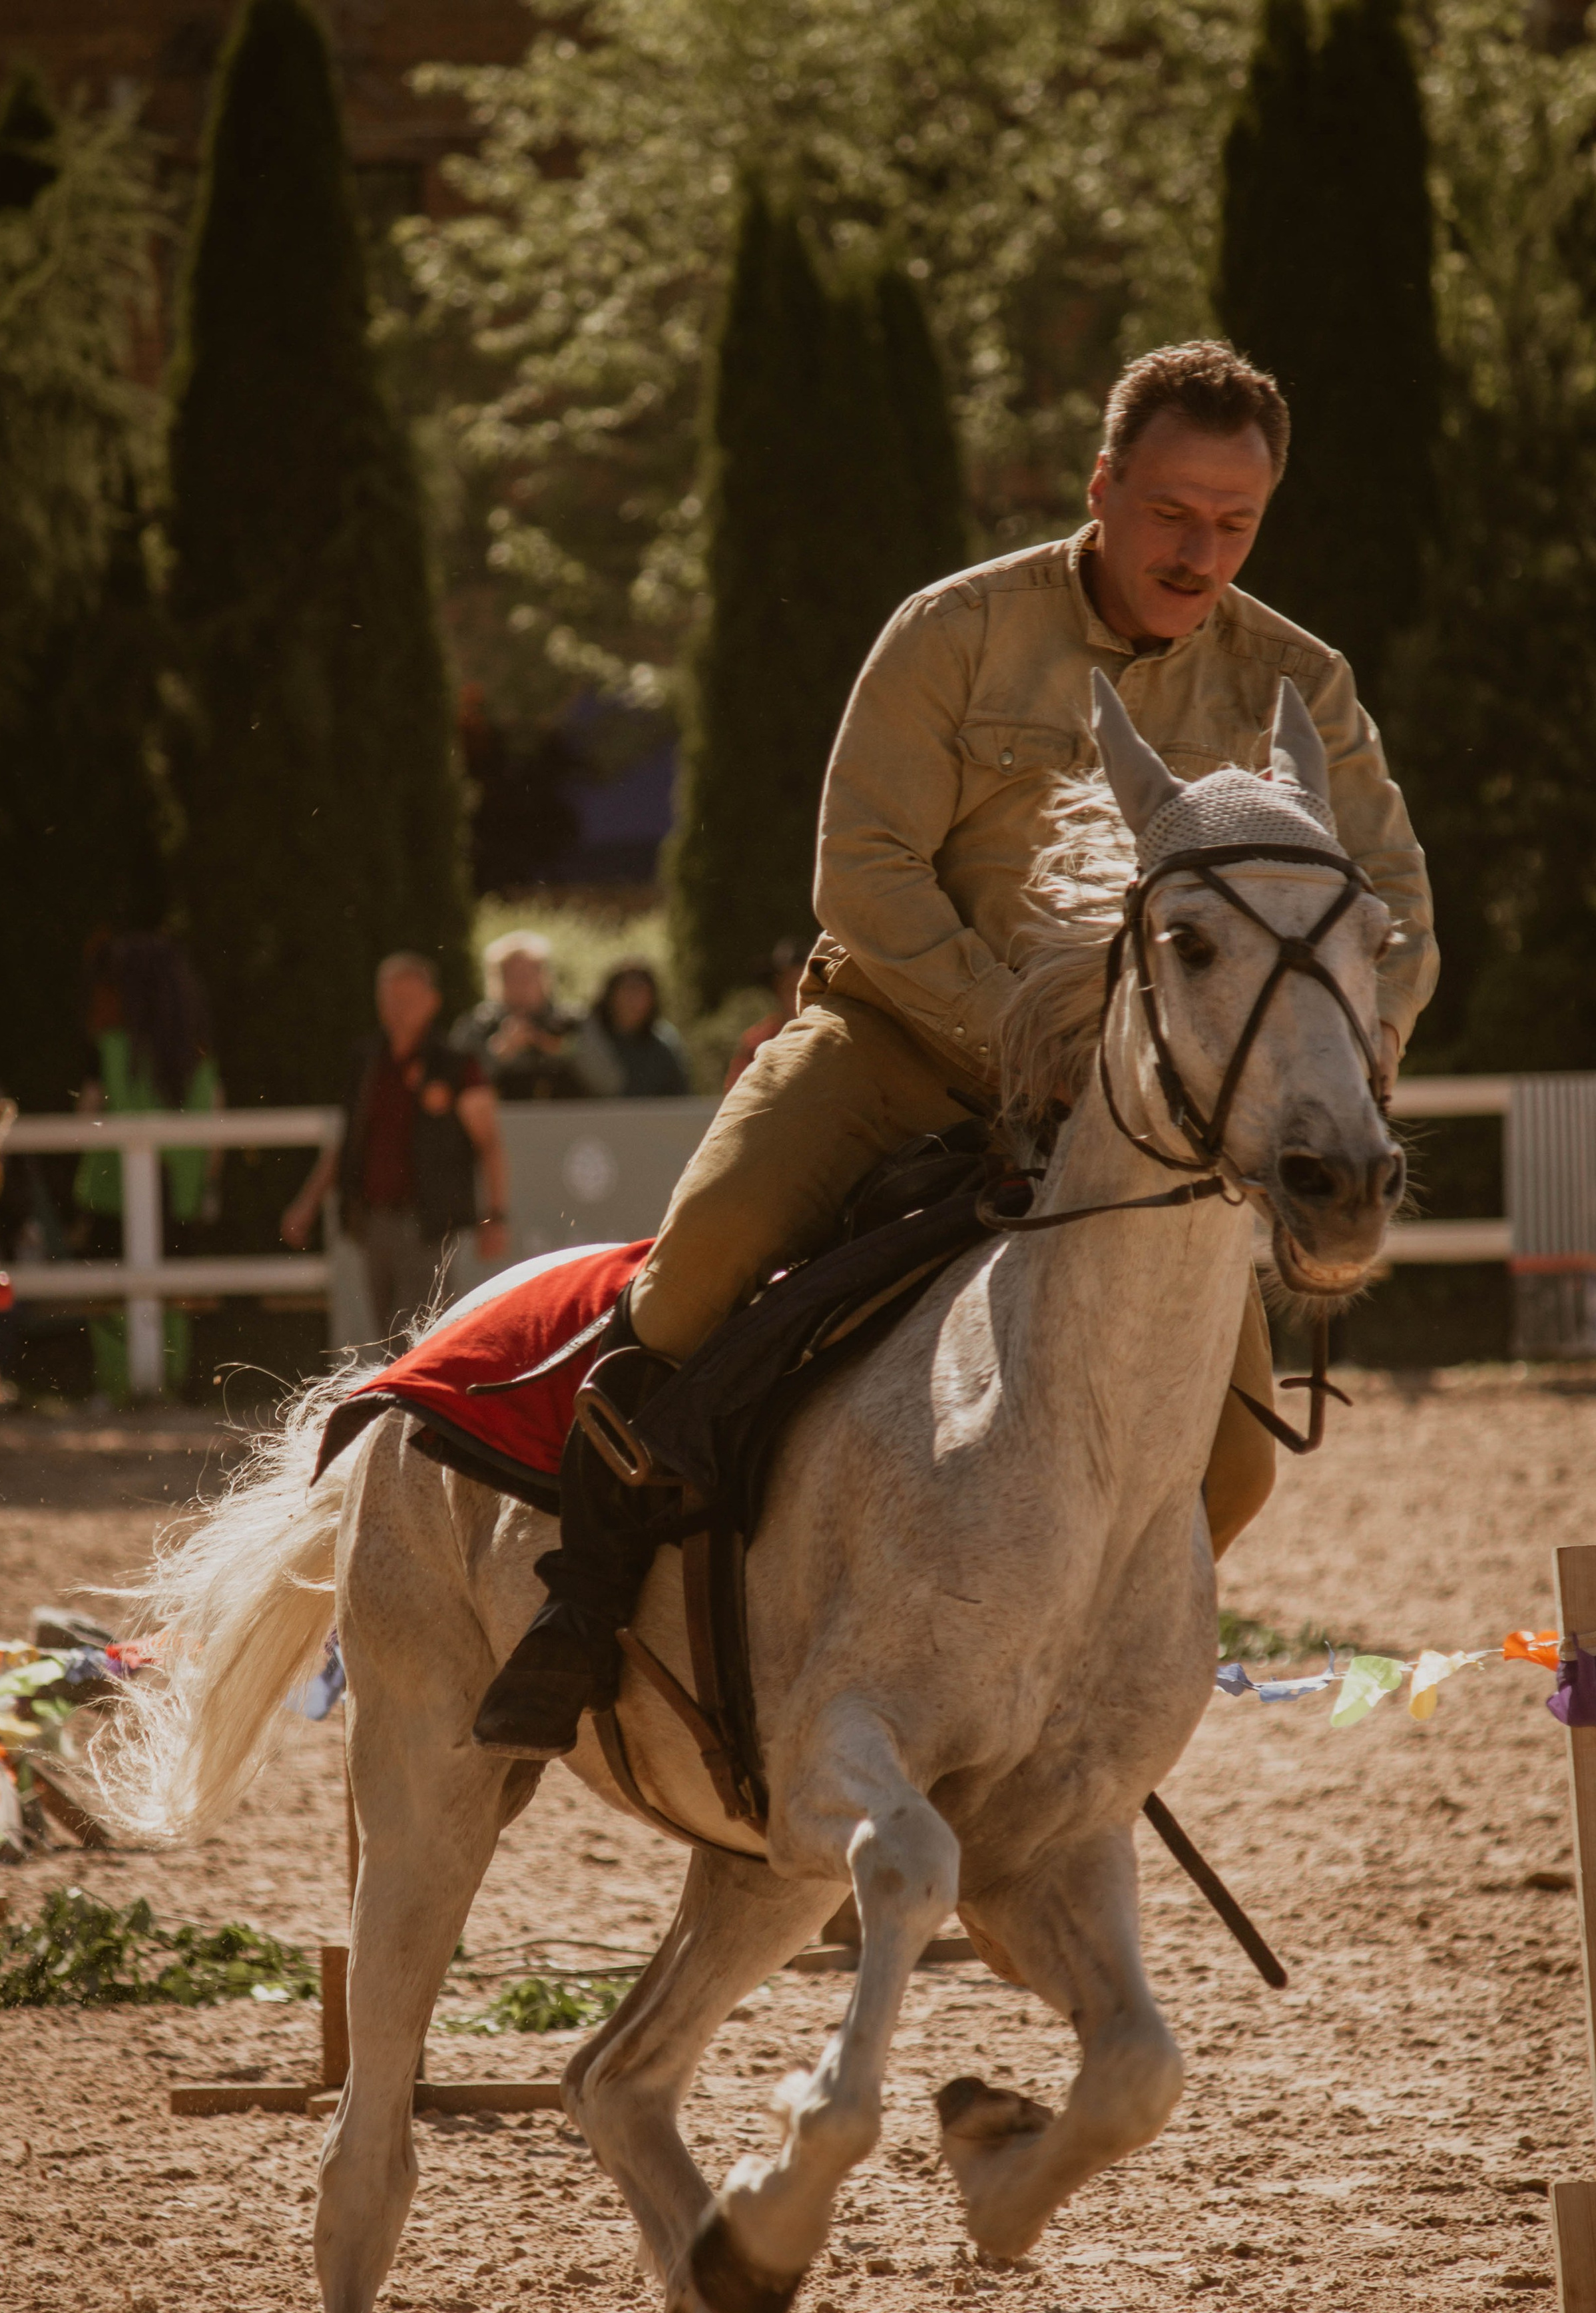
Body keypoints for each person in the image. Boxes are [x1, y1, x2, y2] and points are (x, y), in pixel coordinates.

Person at [475, 338, 1439, 1756]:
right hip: (894, 1045)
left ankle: (1053, 1700)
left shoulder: (1300, 681)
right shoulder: (953, 629)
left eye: (1233, 524)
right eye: (1170, 513)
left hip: (1150, 1121)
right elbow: (861, 871)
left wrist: (1319, 1078)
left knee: (1229, 1468)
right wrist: (1015, 1039)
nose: (1198, 552)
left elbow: (1396, 916)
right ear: (1101, 486)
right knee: (694, 1277)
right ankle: (579, 1602)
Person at [282, 953, 509, 1341]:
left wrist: (497, 1217)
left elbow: (489, 1144)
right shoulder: (367, 1061)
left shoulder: (455, 1065)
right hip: (372, 1221)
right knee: (388, 1333)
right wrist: (307, 1204)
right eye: (388, 999)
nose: (397, 1010)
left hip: (428, 1222)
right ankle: (402, 1402)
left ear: (432, 1002)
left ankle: (414, 1403)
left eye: (407, 999)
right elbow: (349, 1144)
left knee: (418, 1337)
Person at [73, 933, 222, 1403]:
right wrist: (208, 1187)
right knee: (174, 1292)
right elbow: (215, 1120)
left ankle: (119, 1386)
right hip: (181, 1191)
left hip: (111, 1189)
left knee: (108, 1291)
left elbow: (87, 1116)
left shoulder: (108, 1050)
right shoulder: (197, 1057)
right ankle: (170, 1382)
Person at [452, 931, 602, 1102]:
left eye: (527, 975)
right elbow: (452, 1087)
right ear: (494, 982)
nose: (520, 985)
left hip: (570, 1125)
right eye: (511, 977)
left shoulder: (574, 1021)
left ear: (545, 978)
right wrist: (498, 1054)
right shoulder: (477, 1026)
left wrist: (563, 1049)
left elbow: (609, 1083)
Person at [574, 959, 690, 1099]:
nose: (634, 1000)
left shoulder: (664, 1044)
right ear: (612, 995)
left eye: (641, 992)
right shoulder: (590, 1038)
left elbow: (681, 1098)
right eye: (628, 990)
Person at [722, 939, 808, 1093]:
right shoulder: (758, 1042)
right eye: (790, 988)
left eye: (803, 988)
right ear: (778, 991)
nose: (797, 997)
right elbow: (736, 1094)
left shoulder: (832, 1036)